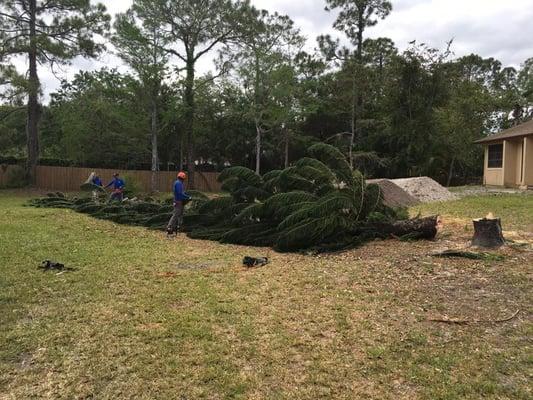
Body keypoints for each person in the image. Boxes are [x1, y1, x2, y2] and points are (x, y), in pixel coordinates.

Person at [167, 171, 191, 236]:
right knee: (176, 215)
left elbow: (181, 193)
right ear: (183, 178)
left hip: (179, 201)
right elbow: (180, 194)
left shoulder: (178, 183)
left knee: (180, 215)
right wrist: (188, 197)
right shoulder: (178, 183)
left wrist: (186, 197)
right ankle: (169, 227)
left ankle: (177, 227)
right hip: (178, 202)